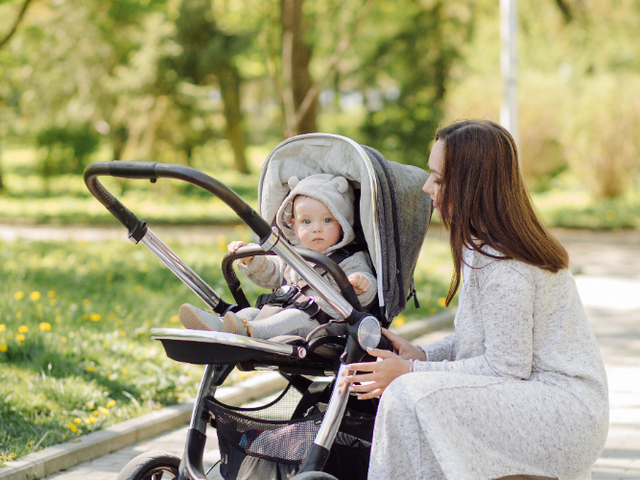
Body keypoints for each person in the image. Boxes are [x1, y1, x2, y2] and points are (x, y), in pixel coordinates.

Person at [342, 120, 608, 480]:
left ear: (471, 184)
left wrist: (411, 372)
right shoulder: (485, 247)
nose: (426, 186)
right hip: (542, 401)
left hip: (563, 414)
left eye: (437, 178)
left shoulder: (505, 263)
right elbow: (483, 341)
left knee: (409, 393)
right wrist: (423, 355)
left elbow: (505, 367)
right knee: (413, 390)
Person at [179, 173, 377, 340]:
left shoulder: (351, 258)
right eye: (306, 221)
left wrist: (362, 285)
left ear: (342, 223)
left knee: (291, 317)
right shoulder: (292, 254)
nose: (316, 228)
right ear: (293, 225)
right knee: (249, 313)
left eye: (327, 220)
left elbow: (367, 292)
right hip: (278, 308)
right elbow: (272, 272)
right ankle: (220, 325)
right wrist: (251, 259)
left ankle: (249, 331)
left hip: (321, 323)